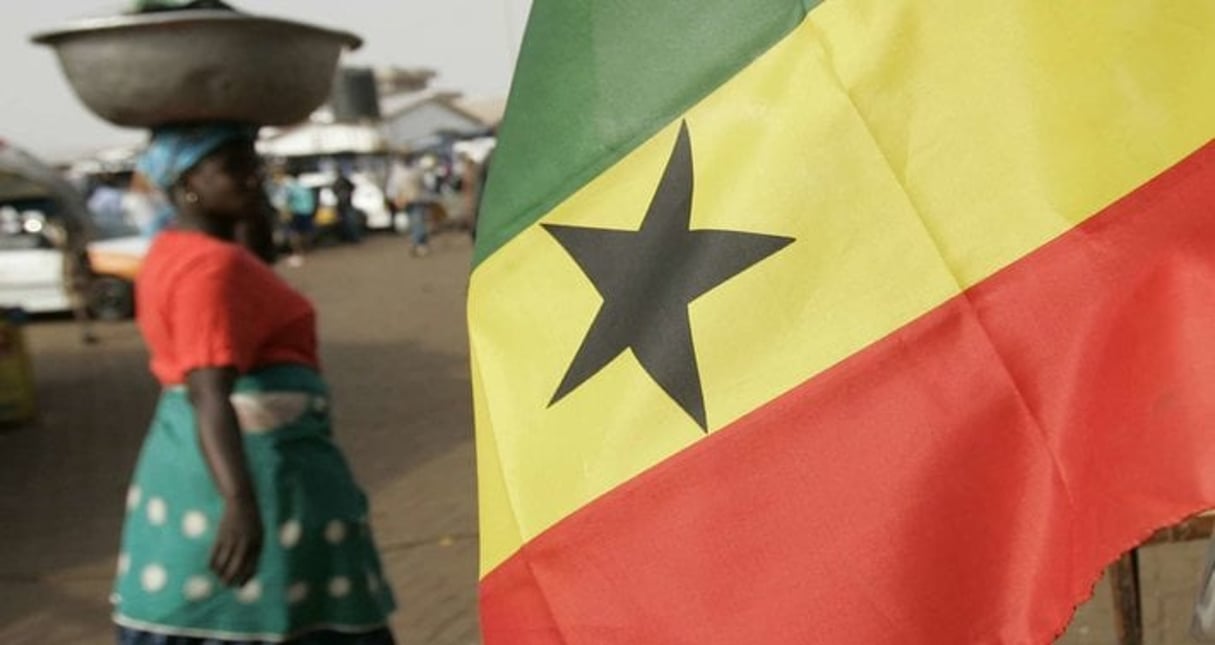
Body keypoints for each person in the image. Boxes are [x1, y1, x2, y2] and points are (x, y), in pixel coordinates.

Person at [114, 124, 396, 645]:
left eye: (253, 164)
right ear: (189, 182)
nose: (252, 178)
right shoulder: (209, 268)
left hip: (202, 477)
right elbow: (209, 392)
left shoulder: (174, 249)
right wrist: (241, 504)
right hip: (257, 481)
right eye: (233, 168)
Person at [386, 156, 429, 257]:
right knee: (414, 222)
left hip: (417, 199)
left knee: (417, 221)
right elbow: (392, 187)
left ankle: (419, 243)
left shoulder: (416, 169)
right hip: (405, 201)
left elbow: (423, 184)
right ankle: (418, 243)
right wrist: (396, 198)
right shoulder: (397, 171)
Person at [282, 171, 315, 267]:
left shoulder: (291, 188)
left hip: (296, 212)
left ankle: (298, 252)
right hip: (307, 211)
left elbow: (287, 200)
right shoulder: (305, 188)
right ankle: (306, 250)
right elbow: (311, 199)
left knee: (294, 233)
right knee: (306, 231)